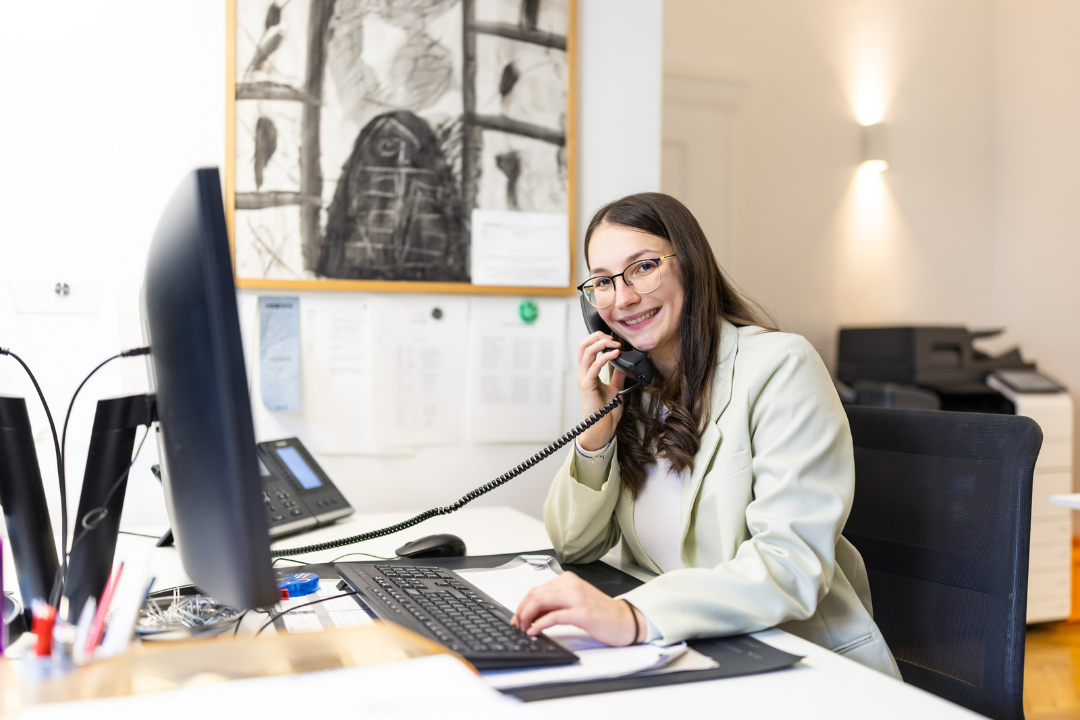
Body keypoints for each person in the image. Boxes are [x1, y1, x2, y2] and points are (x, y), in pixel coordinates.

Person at [510, 193, 900, 677]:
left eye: (644, 267)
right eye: (604, 282)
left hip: (798, 661)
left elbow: (791, 564)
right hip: (689, 654)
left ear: (690, 265)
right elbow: (574, 546)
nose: (624, 297)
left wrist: (636, 615)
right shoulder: (634, 389)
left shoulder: (779, 366)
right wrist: (598, 430)